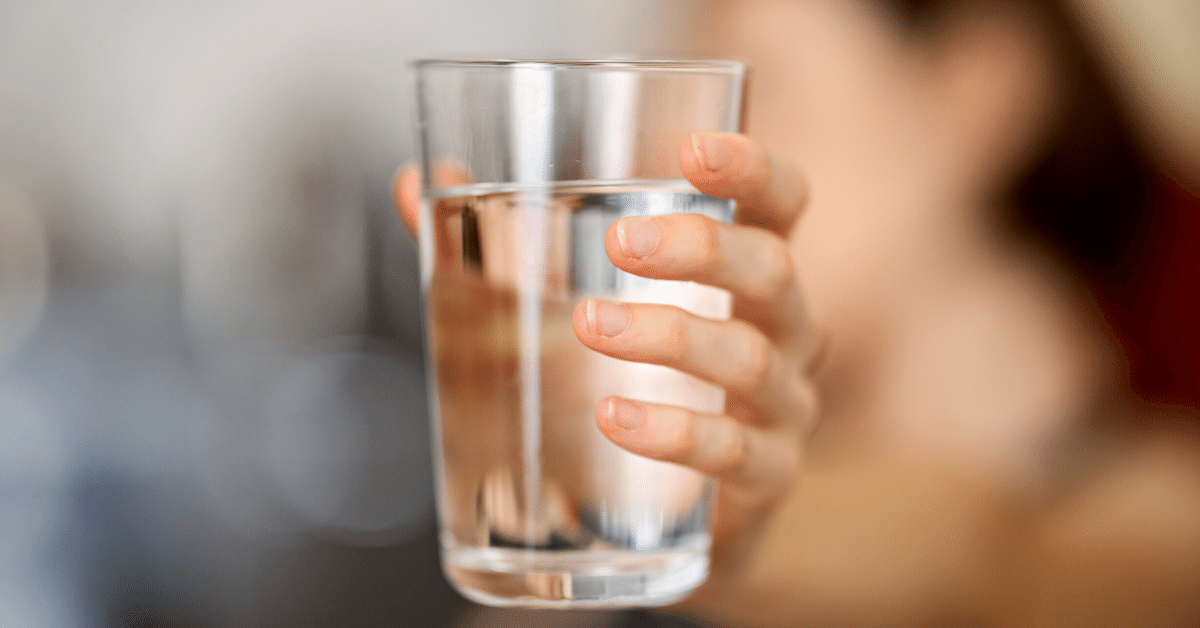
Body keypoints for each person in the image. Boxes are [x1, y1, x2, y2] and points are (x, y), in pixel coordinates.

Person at [395, 0, 1200, 625]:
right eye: (670, 109)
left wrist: (724, 539)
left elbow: (989, 558)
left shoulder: (1157, 514)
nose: (675, 161)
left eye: (764, 87)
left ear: (981, 87)